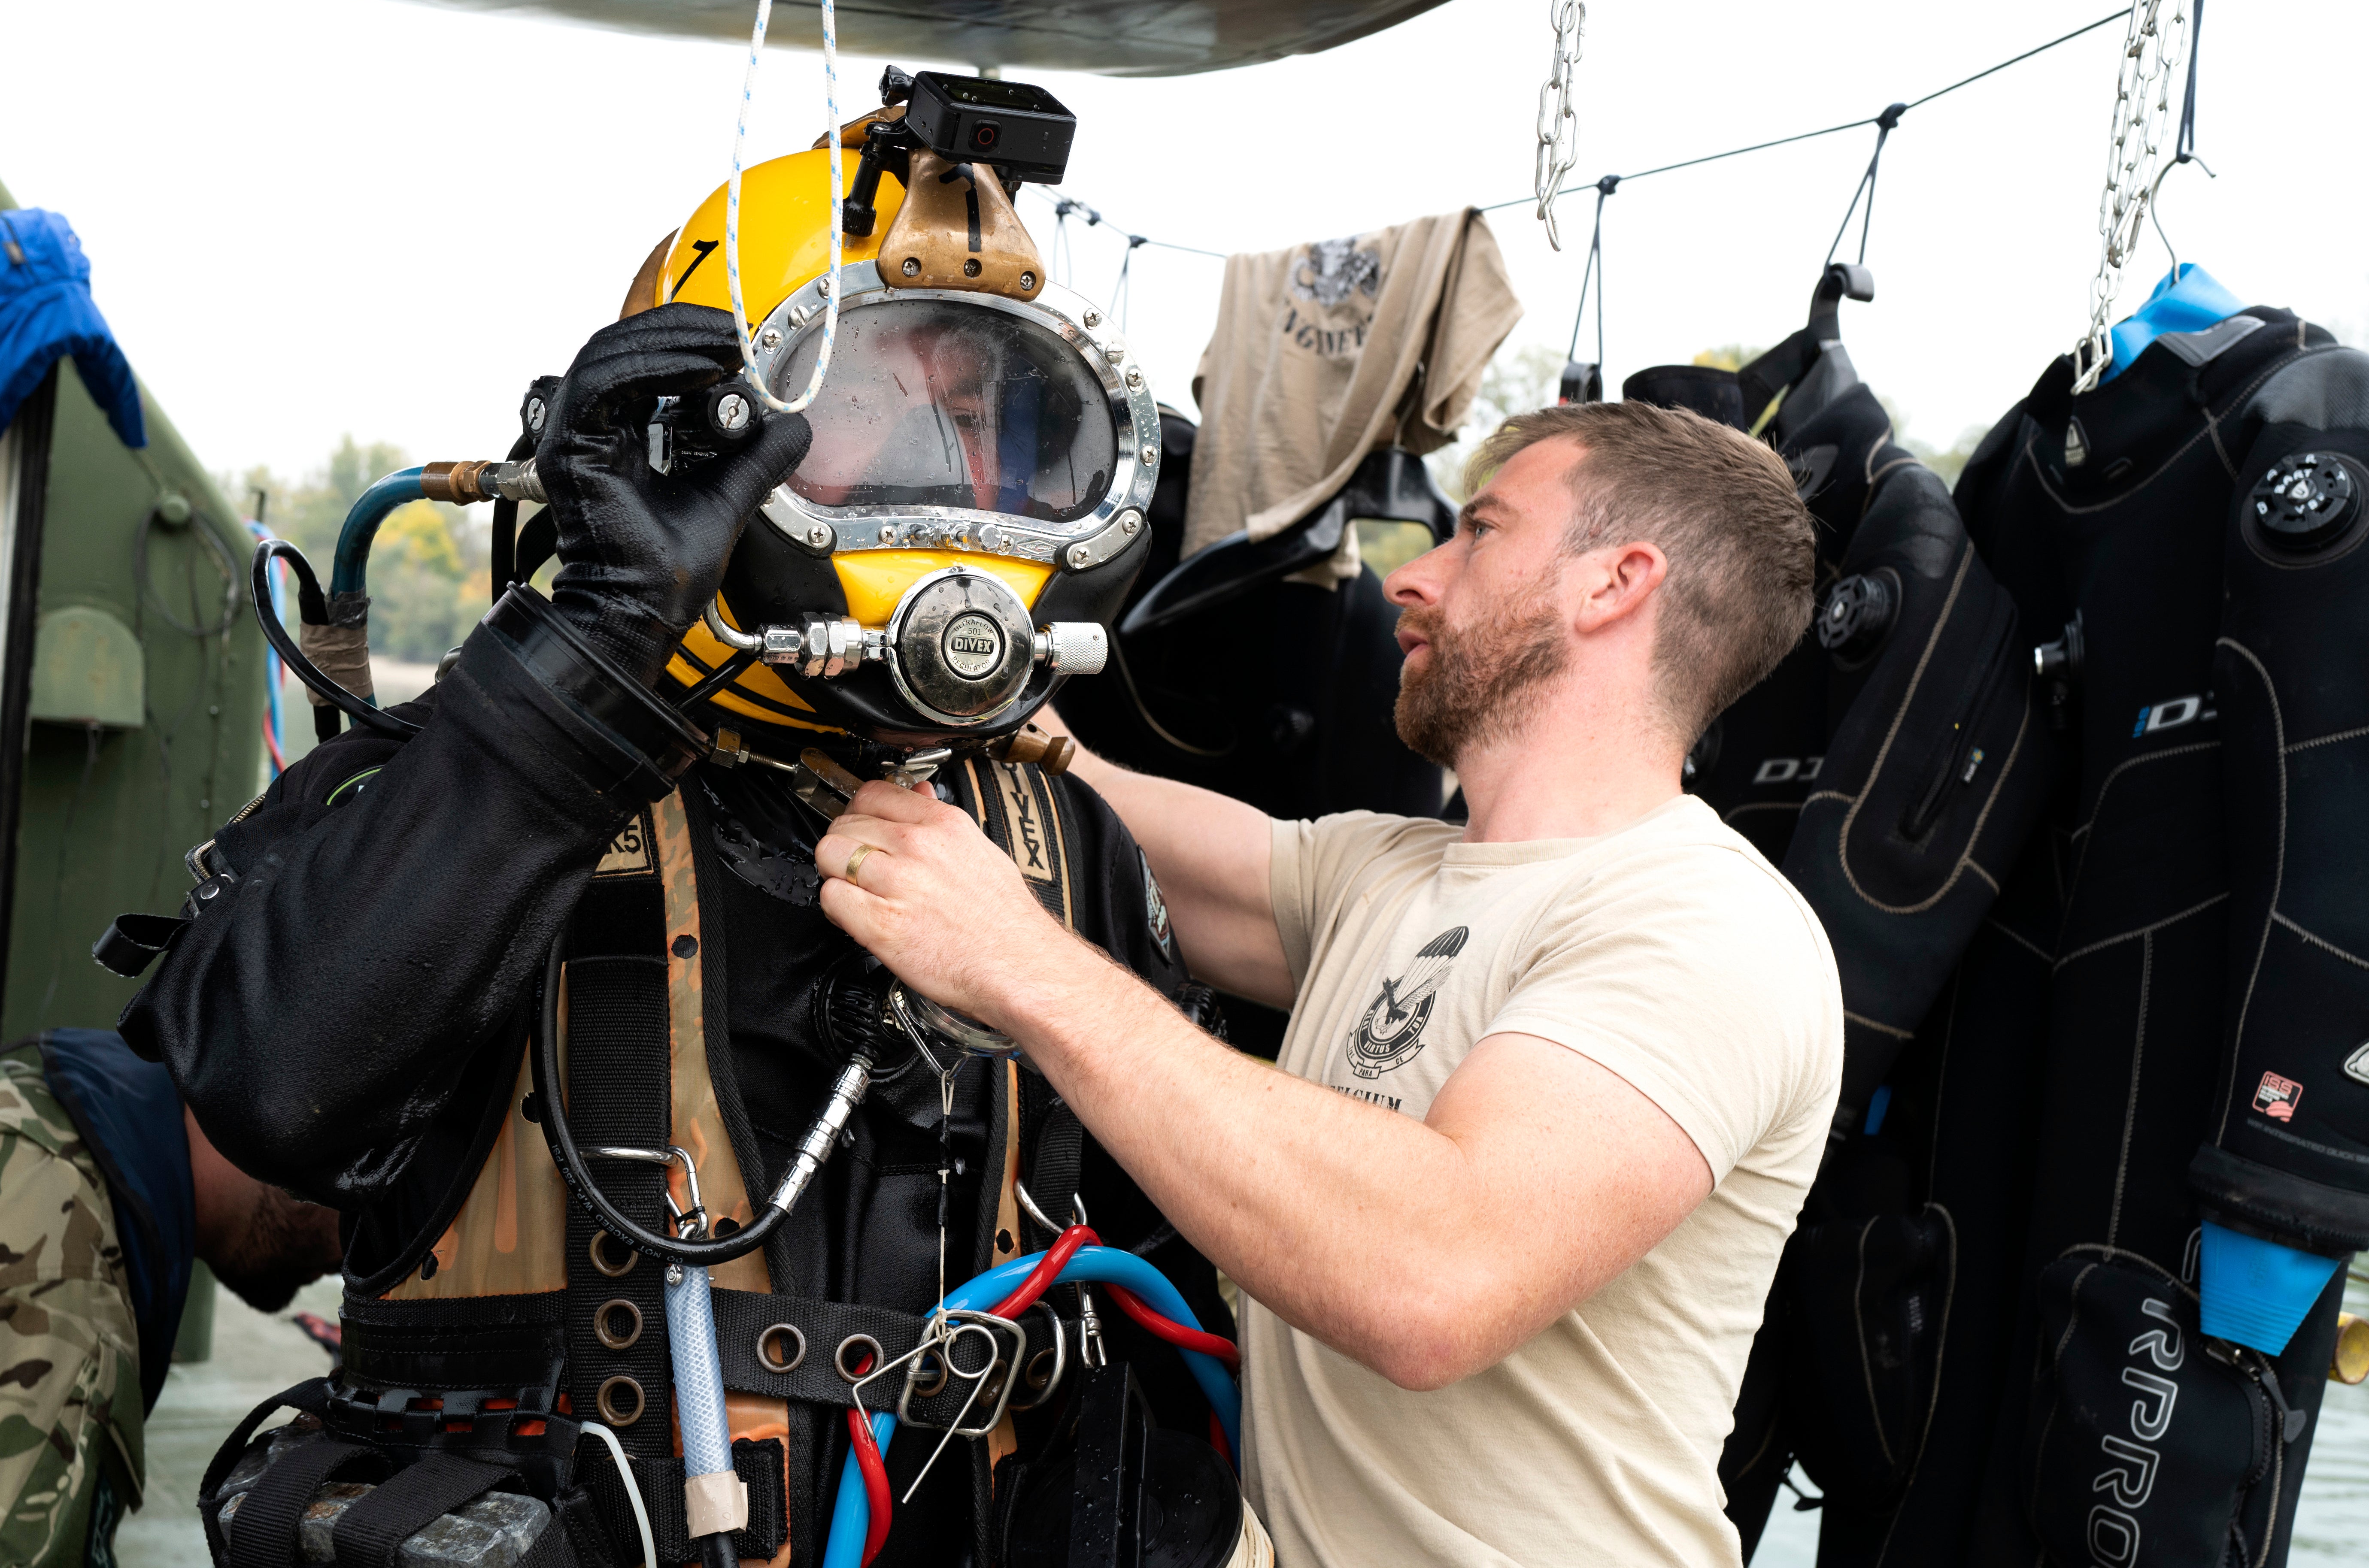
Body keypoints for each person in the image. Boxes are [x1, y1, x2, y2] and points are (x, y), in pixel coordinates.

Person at [114, 81, 1253, 1568]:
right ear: (714, 432)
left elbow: (1166, 1296)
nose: (964, 482)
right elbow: (270, 1094)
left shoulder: (1051, 839)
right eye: (887, 416)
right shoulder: (469, 781)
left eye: (997, 428)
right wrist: (591, 655)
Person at [810, 399, 1844, 1567]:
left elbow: (1436, 1273)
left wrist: (1018, 964)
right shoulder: (1391, 872)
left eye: (1479, 532)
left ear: (1613, 584)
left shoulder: (1706, 923)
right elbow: (1078, 794)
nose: (1415, 576)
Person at [0, 1029, 340, 1568]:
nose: (351, 1245)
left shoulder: (31, 1111)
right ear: (279, 1106)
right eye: (361, 1166)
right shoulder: (66, 1271)